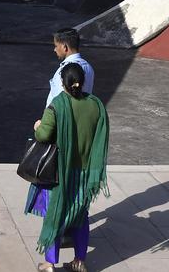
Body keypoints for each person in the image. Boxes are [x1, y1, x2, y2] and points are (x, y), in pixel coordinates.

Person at [26, 63, 110, 272]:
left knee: (55, 214)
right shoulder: (96, 105)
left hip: (59, 172)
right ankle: (79, 261)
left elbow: (44, 135)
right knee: (80, 216)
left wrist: (37, 126)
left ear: (63, 83)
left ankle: (49, 263)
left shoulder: (58, 104)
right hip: (84, 172)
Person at [46, 27, 94, 107]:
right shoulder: (89, 67)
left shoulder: (65, 71)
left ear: (65, 47)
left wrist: (47, 118)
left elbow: (59, 102)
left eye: (56, 46)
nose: (55, 49)